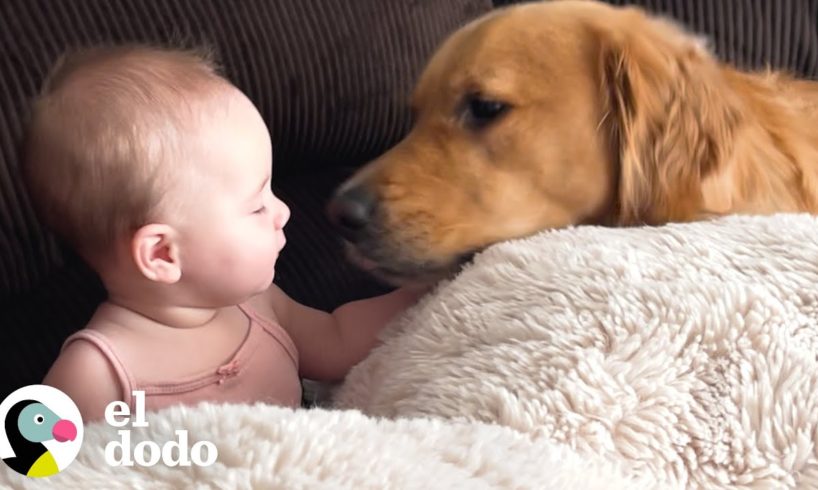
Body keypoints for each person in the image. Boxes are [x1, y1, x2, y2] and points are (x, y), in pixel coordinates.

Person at [22, 45, 425, 422]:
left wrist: (422, 289)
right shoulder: (96, 374)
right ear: (162, 254)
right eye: (256, 204)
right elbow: (35, 470)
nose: (283, 211)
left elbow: (338, 341)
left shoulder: (259, 307)